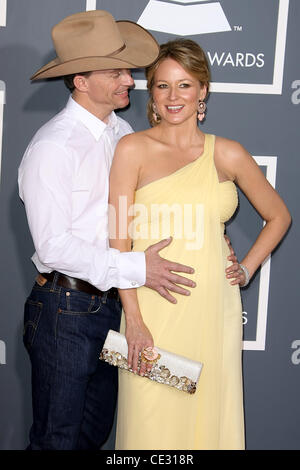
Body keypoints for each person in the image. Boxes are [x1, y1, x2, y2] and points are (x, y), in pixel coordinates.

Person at [17, 11, 205, 451]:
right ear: (80, 80)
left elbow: (146, 211)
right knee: (56, 441)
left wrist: (214, 240)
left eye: (129, 70)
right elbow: (54, 245)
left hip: (112, 308)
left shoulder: (125, 135)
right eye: (116, 71)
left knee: (91, 437)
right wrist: (137, 266)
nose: (131, 81)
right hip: (64, 309)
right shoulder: (53, 146)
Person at [109, 39, 291, 450]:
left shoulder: (226, 153)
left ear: (203, 90)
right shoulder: (131, 149)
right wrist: (133, 318)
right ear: (151, 92)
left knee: (209, 424)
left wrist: (246, 267)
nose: (174, 97)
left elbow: (279, 216)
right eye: (162, 86)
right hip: (151, 310)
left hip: (213, 308)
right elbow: (118, 238)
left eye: (185, 85)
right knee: (148, 427)